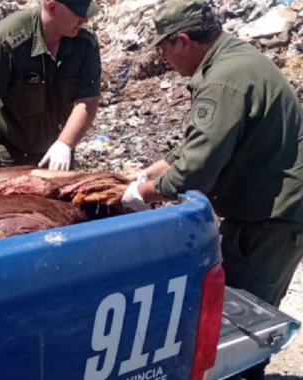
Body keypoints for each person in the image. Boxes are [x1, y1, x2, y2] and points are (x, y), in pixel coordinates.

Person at [123, 0, 303, 378]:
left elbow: (195, 170)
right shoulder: (235, 59)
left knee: (242, 320)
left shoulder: (222, 80)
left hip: (270, 217)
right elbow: (195, 147)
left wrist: (144, 194)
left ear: (183, 41)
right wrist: (144, 174)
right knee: (234, 309)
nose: (163, 57)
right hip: (268, 207)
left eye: (163, 48)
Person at [0, 0, 102, 187]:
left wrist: (65, 144)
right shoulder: (8, 39)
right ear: (52, 6)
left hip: (56, 152)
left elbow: (88, 100)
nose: (84, 20)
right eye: (77, 13)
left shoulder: (84, 43)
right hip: (8, 153)